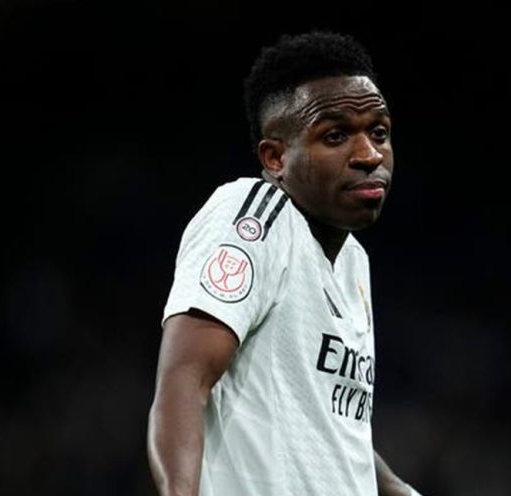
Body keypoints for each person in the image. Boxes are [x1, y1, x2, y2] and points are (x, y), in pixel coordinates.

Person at [146, 30, 422, 496]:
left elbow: (332, 427)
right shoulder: (255, 216)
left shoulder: (353, 261)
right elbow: (185, 380)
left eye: (379, 132)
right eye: (336, 136)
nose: (369, 155)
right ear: (275, 157)